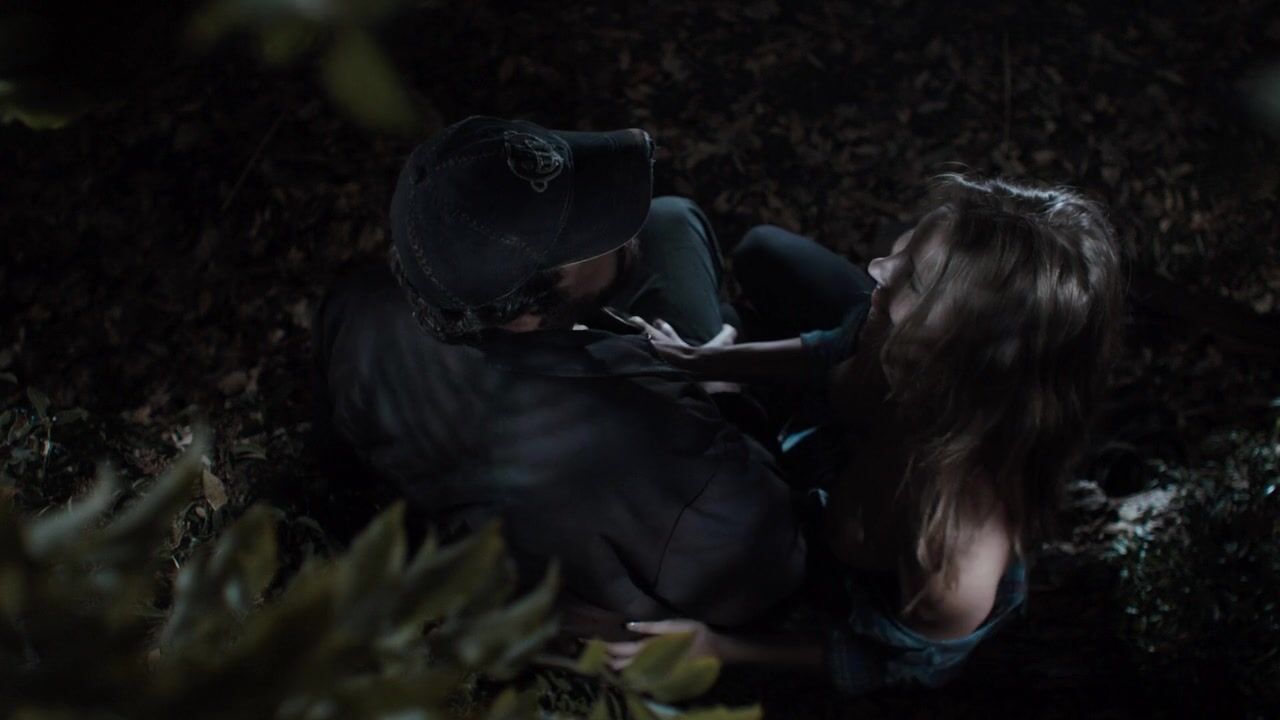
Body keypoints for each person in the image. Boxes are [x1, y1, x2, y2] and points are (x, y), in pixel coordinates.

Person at [608, 175, 1124, 694]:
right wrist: (704, 361)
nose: (878, 268)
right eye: (905, 248)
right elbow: (832, 347)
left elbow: (893, 663)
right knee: (765, 252)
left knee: (699, 300)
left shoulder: (953, 553)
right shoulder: (896, 330)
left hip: (800, 522)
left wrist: (722, 649)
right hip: (817, 435)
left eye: (914, 279)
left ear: (967, 348)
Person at [311, 116, 805, 628]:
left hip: (514, 464)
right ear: (524, 315)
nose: (619, 222)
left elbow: (339, 455)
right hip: (659, 502)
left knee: (669, 221)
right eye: (587, 235)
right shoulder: (656, 445)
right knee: (698, 268)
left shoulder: (360, 308)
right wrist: (722, 389)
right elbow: (774, 567)